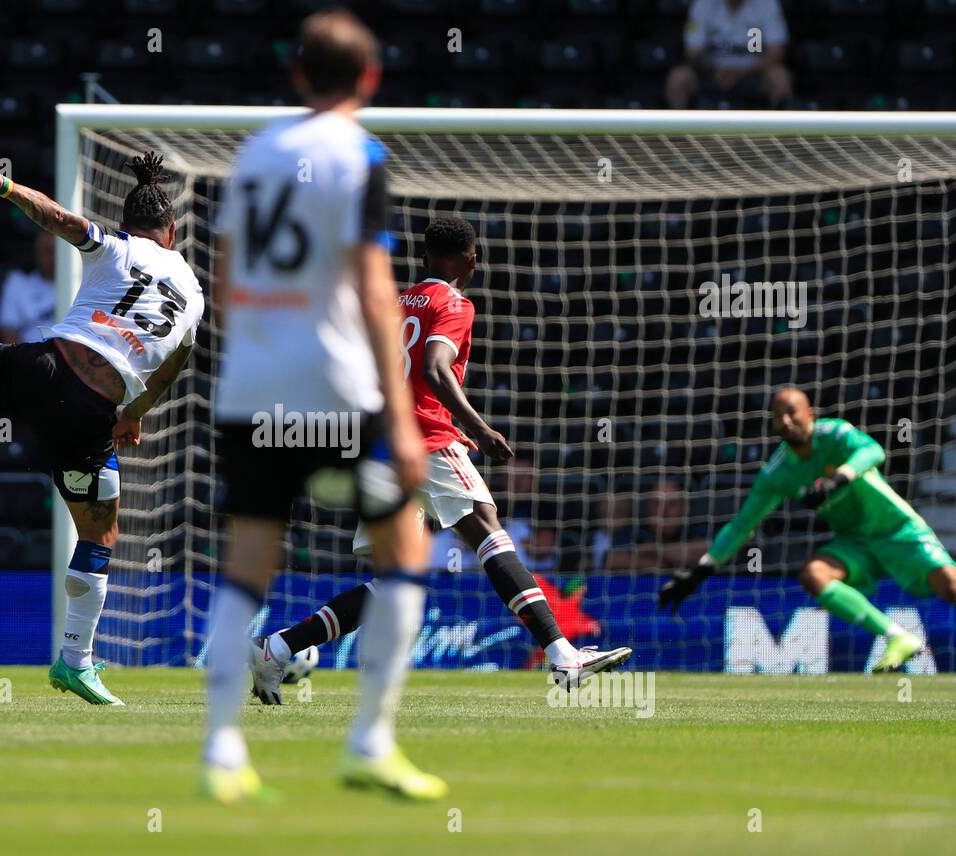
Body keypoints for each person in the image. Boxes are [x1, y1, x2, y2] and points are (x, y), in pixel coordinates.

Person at [200, 10, 445, 804]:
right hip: (339, 388)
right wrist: (401, 420)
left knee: (246, 566)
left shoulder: (255, 154)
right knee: (403, 553)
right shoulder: (360, 154)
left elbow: (228, 272)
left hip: (253, 390)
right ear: (369, 79)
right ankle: (371, 742)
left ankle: (220, 756)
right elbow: (375, 286)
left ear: (299, 73)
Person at [0, 150, 204, 707]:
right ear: (172, 230)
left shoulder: (115, 245)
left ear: (129, 225)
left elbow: (60, 220)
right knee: (98, 536)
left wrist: (4, 187)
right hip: (89, 411)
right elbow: (173, 365)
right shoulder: (192, 293)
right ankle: (76, 662)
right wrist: (133, 416)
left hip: (42, 365)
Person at [249, 219, 630, 702]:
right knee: (488, 530)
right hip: (426, 438)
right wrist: (478, 428)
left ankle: (277, 648)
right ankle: (563, 655)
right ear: (472, 259)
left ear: (425, 258)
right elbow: (433, 366)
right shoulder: (453, 304)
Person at [659, 387, 956, 672]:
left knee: (950, 586)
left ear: (810, 414)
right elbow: (741, 526)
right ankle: (897, 636)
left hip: (896, 529)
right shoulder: (778, 472)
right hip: (854, 542)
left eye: (792, 412)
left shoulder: (835, 434)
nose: (786, 421)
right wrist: (702, 571)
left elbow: (873, 452)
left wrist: (838, 479)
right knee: (815, 575)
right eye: (778, 416)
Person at [666, 0, 792, 109]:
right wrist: (715, 71)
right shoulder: (703, 3)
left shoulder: (766, 4)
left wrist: (741, 72)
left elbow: (777, 52)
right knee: (678, 78)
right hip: (710, 73)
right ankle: (676, 135)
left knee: (779, 77)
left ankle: (781, 135)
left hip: (753, 73)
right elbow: (691, 51)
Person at [0, 232, 57, 344]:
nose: (50, 258)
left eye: (53, 251)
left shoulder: (85, 284)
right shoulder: (18, 283)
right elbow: (7, 331)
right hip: (31, 356)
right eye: (44, 252)